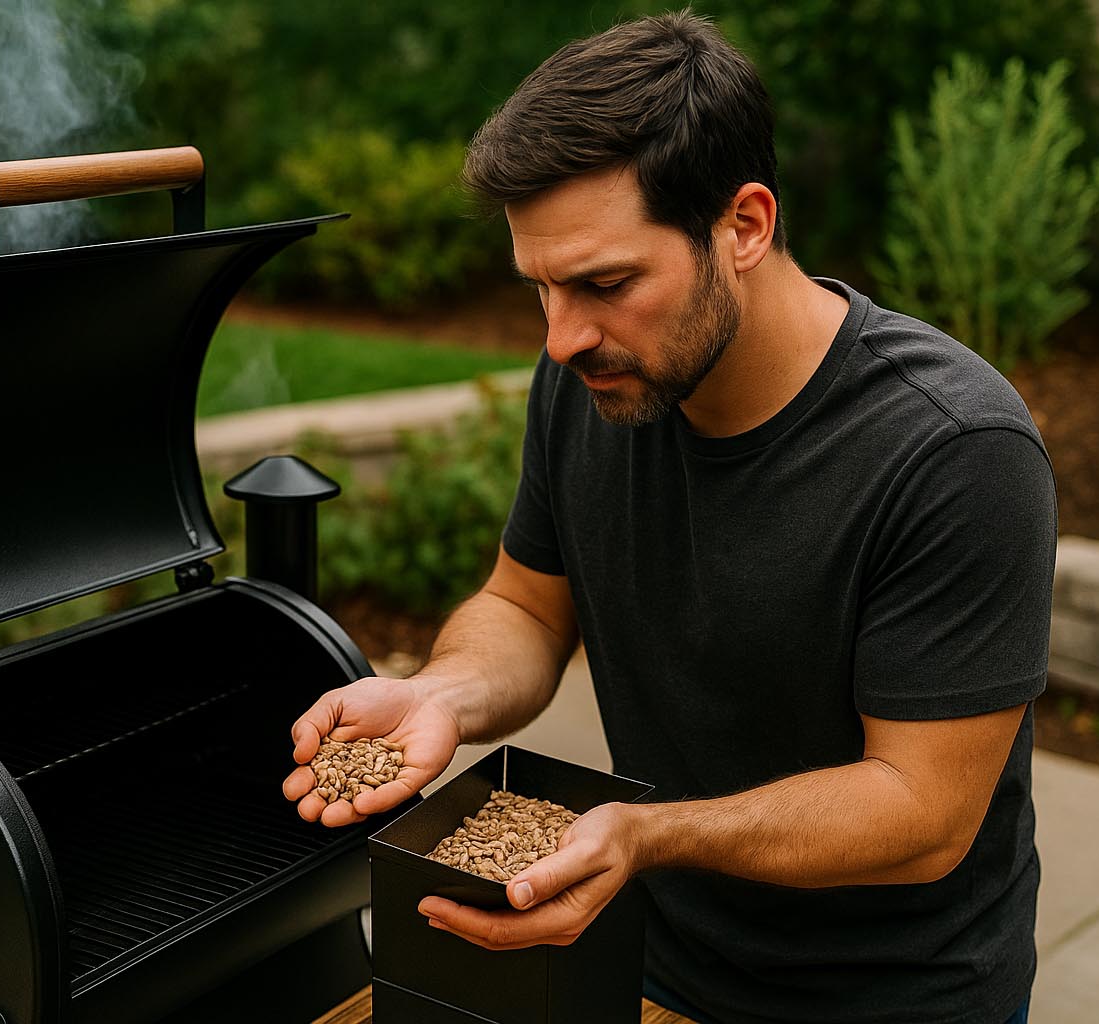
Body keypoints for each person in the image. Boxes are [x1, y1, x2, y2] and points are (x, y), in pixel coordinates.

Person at [282, 11, 1053, 1024]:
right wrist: (442, 695)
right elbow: (527, 606)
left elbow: (922, 813)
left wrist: (646, 833)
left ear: (745, 226)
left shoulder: (952, 450)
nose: (562, 337)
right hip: (653, 964)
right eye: (541, 289)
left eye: (604, 283)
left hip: (893, 1001)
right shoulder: (593, 381)